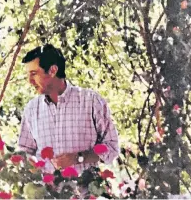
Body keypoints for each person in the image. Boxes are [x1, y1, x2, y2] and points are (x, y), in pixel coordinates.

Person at [18, 44, 119, 175]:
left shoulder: (91, 101)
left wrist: (78, 157)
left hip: (84, 193)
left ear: (53, 70)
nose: (30, 81)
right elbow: (24, 152)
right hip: (47, 194)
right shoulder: (31, 109)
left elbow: (112, 148)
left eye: (34, 74)